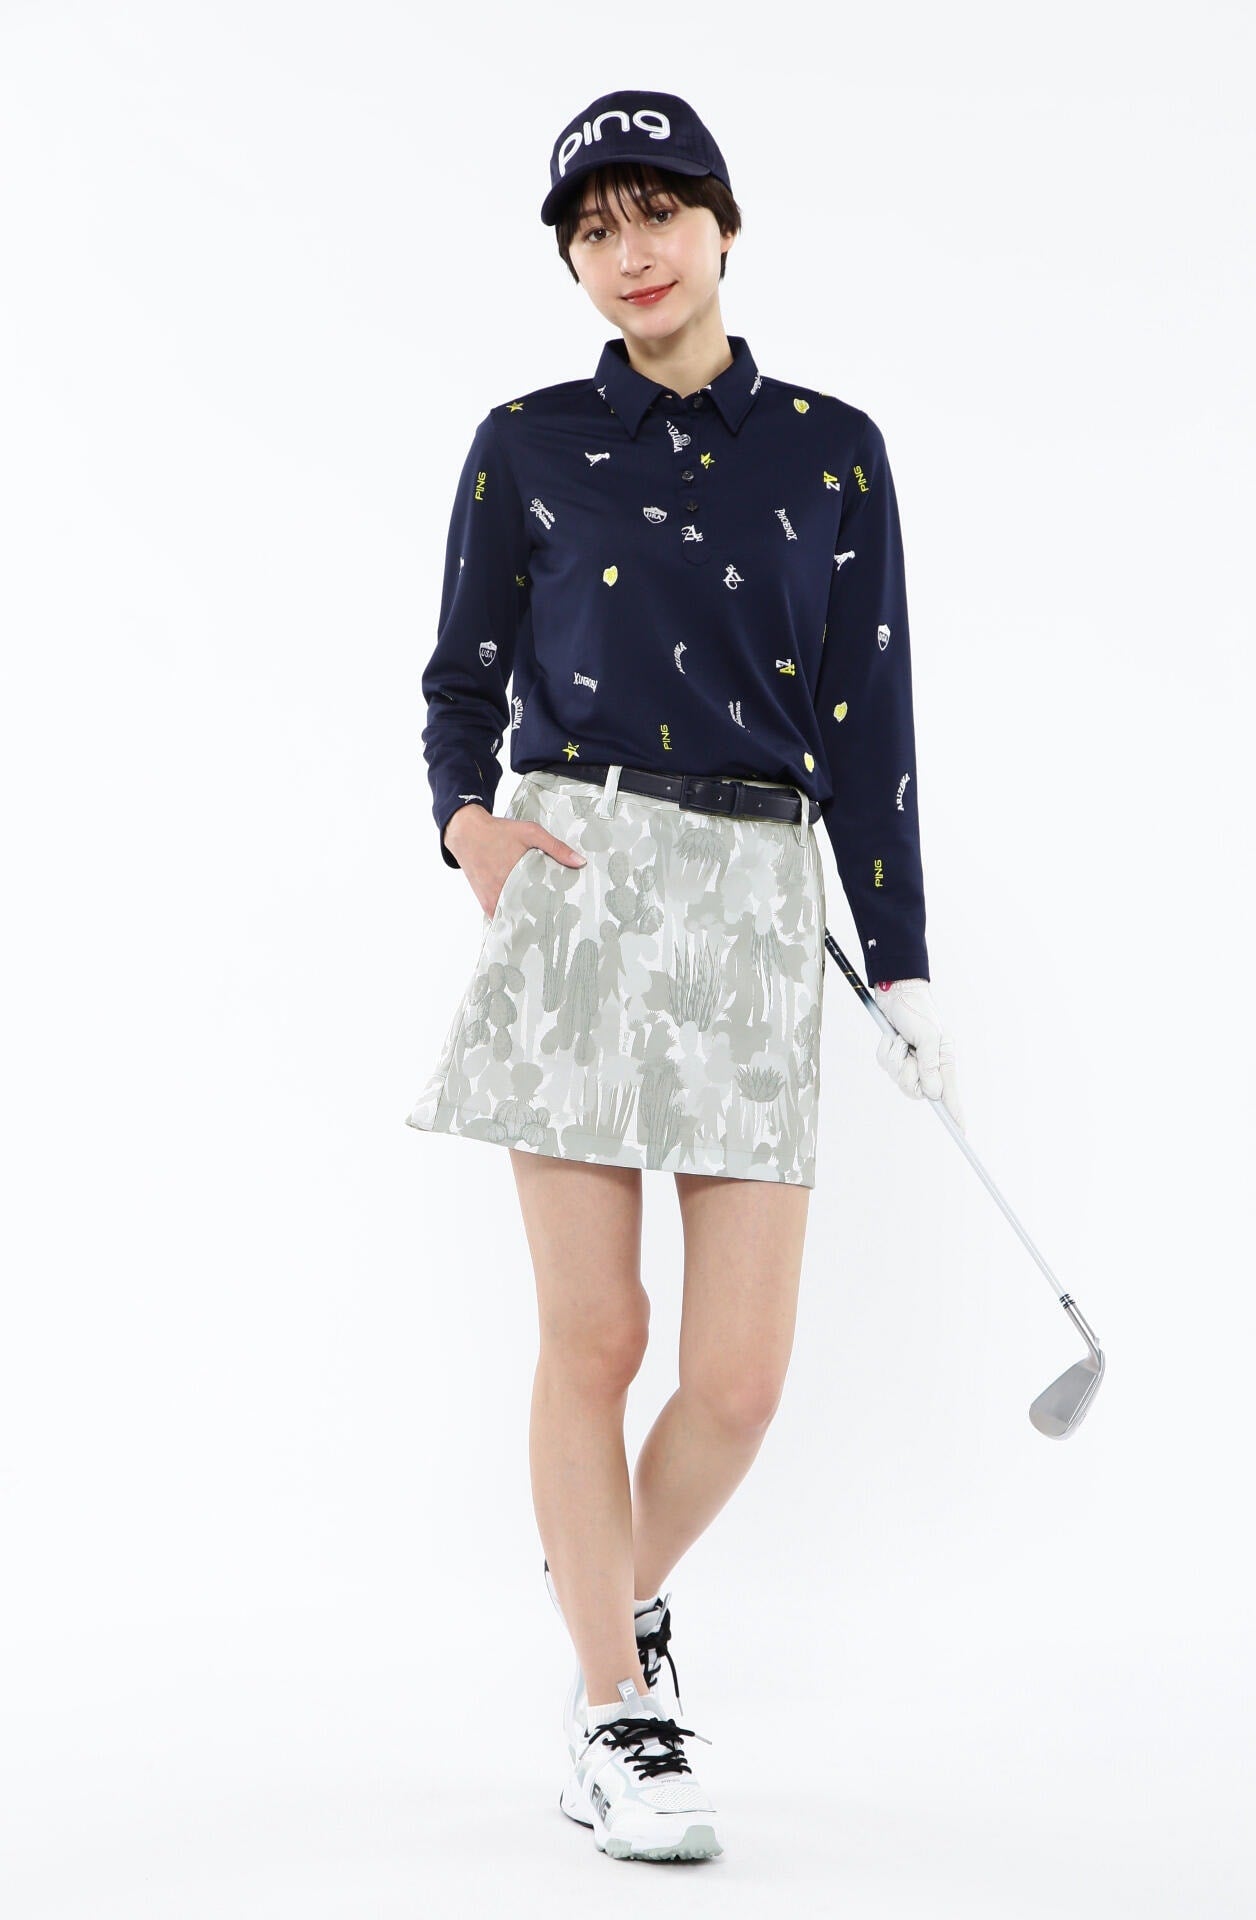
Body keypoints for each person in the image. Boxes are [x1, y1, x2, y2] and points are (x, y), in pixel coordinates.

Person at [405, 87, 963, 1862]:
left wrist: (905, 968)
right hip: (577, 884)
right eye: (594, 231)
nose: (630, 254)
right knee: (600, 1335)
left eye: (657, 214)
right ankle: (615, 1708)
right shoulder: (526, 443)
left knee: (735, 1382)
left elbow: (870, 721)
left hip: (753, 894)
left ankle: (604, 1600)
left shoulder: (834, 451)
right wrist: (470, 829)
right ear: (573, 262)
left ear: (724, 224)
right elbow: (457, 681)